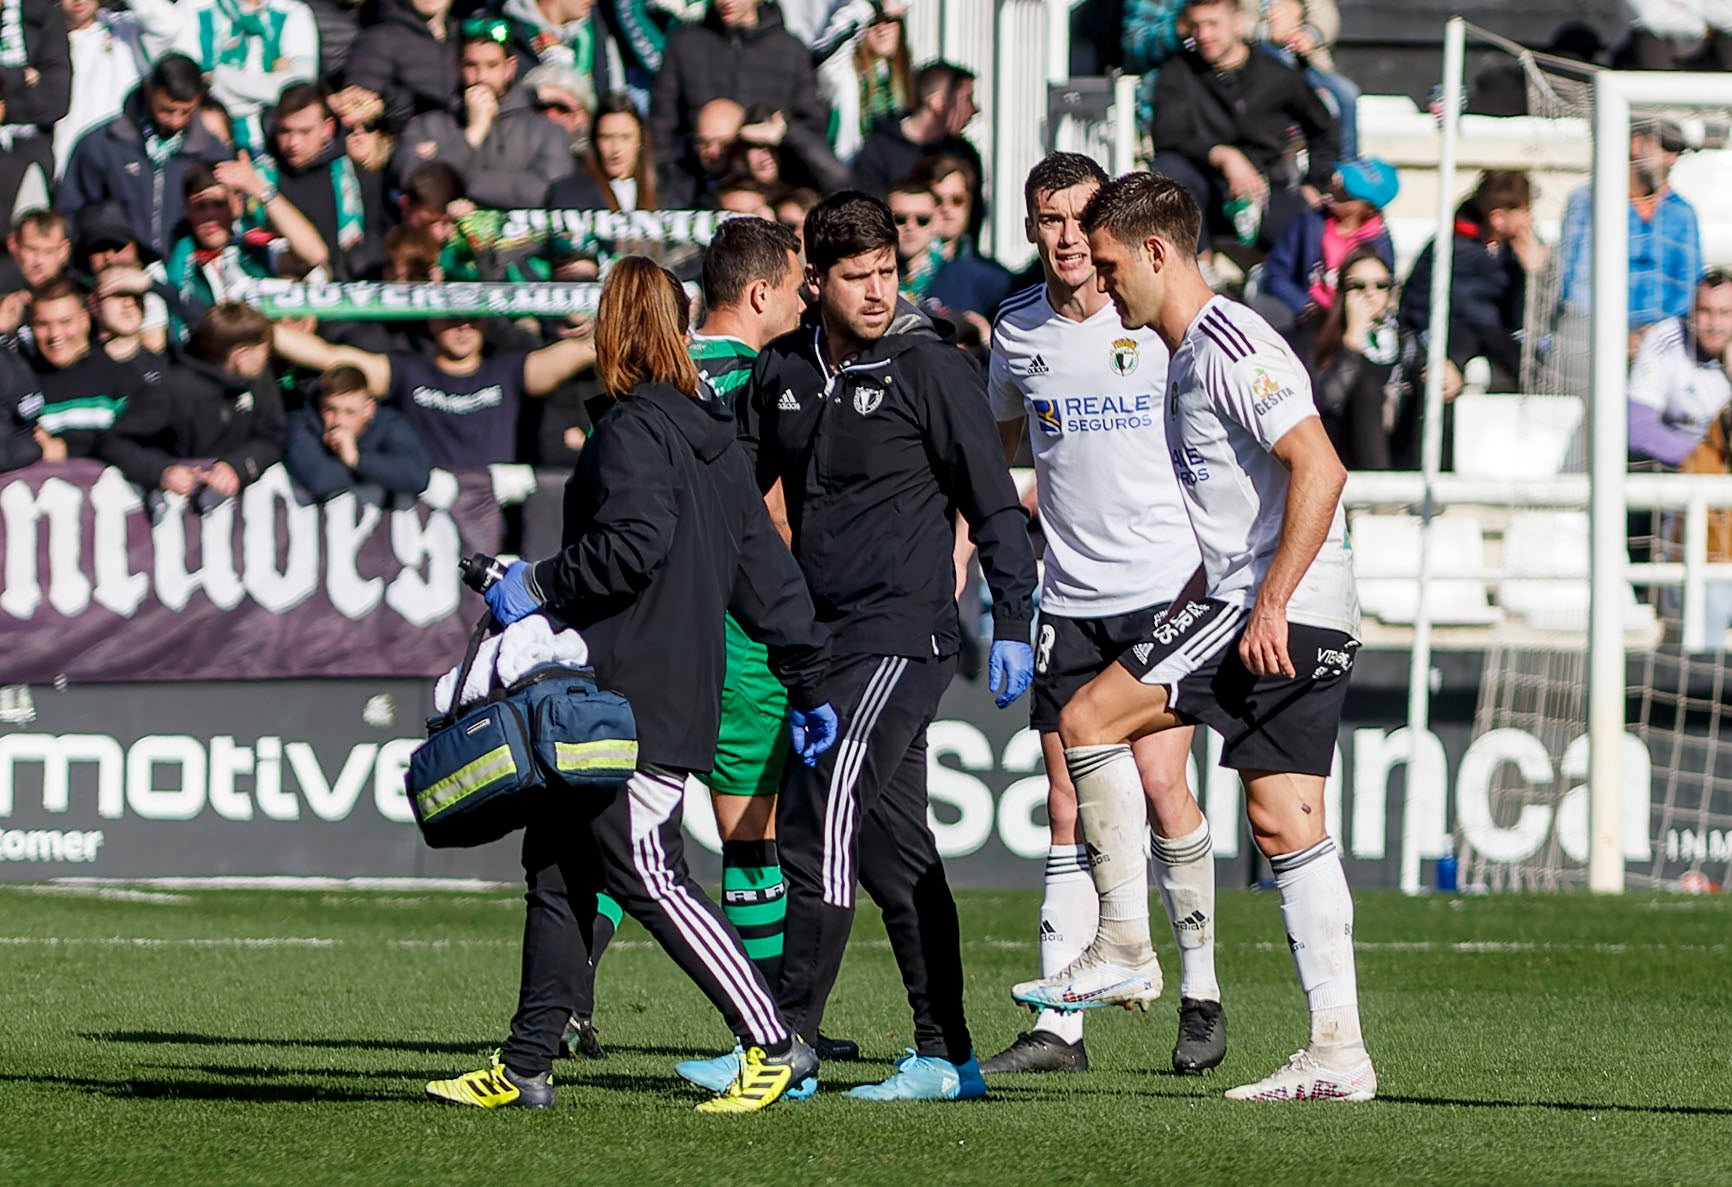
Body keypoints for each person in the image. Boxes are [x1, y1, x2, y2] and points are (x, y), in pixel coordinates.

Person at [427, 258, 838, 1114]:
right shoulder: (716, 440)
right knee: (558, 870)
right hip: (665, 689)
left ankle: (773, 1040)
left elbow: (631, 547)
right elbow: (764, 575)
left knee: (645, 868)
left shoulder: (627, 430)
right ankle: (526, 1061)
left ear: (610, 330)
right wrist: (805, 678)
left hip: (623, 697)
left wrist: (532, 582)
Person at [1011, 171, 1373, 1103]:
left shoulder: (1227, 343)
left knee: (1089, 719)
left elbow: (1321, 468)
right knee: (1285, 821)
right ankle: (1339, 1050)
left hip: (1273, 603)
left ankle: (1125, 941)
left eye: (1113, 260)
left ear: (1157, 253)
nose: (1102, 277)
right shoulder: (1183, 353)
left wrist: (1267, 602)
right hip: (1278, 601)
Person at [724, 191, 1039, 1102]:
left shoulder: (930, 367)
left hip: (905, 633)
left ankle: (785, 1042)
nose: (876, 292)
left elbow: (994, 500)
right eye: (857, 277)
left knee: (815, 812)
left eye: (888, 273)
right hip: (821, 639)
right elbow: (740, 494)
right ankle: (949, 1055)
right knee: (897, 851)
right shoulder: (780, 370)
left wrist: (1012, 618)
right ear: (813, 280)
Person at [982, 151, 1222, 1077]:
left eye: (1082, 218)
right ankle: (1060, 1027)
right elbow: (999, 448)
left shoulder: (1158, 323)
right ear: (1031, 227)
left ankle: (1199, 993)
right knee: (1065, 800)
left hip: (1166, 588)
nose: (1069, 237)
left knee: (1164, 787)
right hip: (1070, 596)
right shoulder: (1016, 331)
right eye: (1049, 220)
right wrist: (992, 547)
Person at [269, 309, 596, 469]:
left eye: (473, 317)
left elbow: (586, 349)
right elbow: (329, 356)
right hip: (423, 515)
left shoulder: (509, 369)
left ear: (484, 322)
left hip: (494, 515)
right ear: (431, 321)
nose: (463, 327)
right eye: (451, 317)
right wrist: (260, 327)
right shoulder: (407, 371)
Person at [1149, 0, 1337, 253]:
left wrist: (1314, 184)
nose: (1204, 35)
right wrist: (1223, 155)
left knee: (1307, 226)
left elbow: (1323, 129)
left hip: (1267, 188)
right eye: (1196, 26)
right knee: (1168, 169)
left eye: (1213, 24)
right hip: (1203, 191)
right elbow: (1168, 134)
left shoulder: (1278, 75)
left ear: (1237, 24)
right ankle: (1198, 267)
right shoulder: (1178, 73)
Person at [1553, 121, 1701, 399]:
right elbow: (1574, 284)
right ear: (1636, 145)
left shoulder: (1683, 213)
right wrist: (1616, 336)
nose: (1672, 159)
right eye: (1666, 148)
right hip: (1594, 337)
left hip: (1661, 342)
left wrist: (1654, 335)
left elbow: (1688, 289)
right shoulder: (1587, 202)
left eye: (1677, 152)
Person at [98, 301, 286, 506]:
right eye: (263, 349)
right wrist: (162, 471)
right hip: (175, 514)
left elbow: (273, 436)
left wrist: (239, 466)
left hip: (242, 517)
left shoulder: (260, 381)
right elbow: (115, 442)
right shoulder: (171, 388)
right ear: (240, 356)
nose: (267, 356)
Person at [390, 16, 575, 210]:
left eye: (492, 65)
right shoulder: (426, 125)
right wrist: (472, 135)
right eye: (471, 65)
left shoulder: (547, 130)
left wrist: (457, 182)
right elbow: (414, 185)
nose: (481, 77)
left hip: (523, 240)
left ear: (510, 68)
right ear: (459, 67)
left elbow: (550, 192)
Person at [58, 54, 232, 260]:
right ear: (149, 89)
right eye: (167, 110)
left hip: (188, 272)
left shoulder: (212, 152)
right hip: (115, 271)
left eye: (186, 112)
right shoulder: (102, 144)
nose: (176, 121)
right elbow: (70, 213)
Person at [649, 0, 831, 187]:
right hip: (698, 187)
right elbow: (662, 128)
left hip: (769, 189)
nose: (725, 2)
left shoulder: (791, 50)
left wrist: (779, 134)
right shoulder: (684, 45)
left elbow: (812, 127)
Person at [1399, 169, 1545, 393]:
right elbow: (1415, 302)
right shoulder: (1450, 246)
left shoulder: (1521, 251)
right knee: (1440, 377)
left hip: (1497, 332)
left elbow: (1522, 319)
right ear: (1497, 218)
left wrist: (1531, 275)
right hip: (1452, 331)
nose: (1531, 219)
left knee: (1533, 370)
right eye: (1525, 211)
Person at [166, 158, 331, 316]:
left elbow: (315, 255)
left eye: (219, 203)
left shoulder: (255, 251)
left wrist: (262, 192)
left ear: (237, 204)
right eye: (200, 206)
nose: (210, 215)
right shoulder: (177, 260)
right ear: (188, 210)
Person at [11, 277, 152, 462]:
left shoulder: (119, 376)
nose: (55, 334)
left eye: (65, 322)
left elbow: (143, 448)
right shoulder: (22, 383)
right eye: (43, 324)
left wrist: (65, 451)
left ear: (85, 320)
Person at [257, 83, 387, 280]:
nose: (293, 143)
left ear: (327, 128)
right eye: (285, 131)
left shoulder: (360, 180)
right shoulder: (260, 179)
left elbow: (374, 247)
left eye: (305, 131)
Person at [1258, 157, 1397, 334]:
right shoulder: (1310, 222)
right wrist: (1305, 306)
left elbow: (1380, 295)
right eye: (1339, 180)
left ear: (1369, 209)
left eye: (1348, 192)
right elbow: (1276, 275)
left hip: (1355, 324)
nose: (1335, 189)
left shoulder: (1379, 244)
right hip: (1303, 318)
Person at [1300, 245, 1403, 469]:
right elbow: (1327, 402)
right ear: (1342, 292)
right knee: (1366, 387)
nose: (1370, 293)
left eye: (1380, 285)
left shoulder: (1404, 338)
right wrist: (1353, 339)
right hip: (1346, 451)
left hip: (1398, 445)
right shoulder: (1317, 337)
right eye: (1357, 286)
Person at [54, 0, 181, 180]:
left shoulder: (124, 29)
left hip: (121, 163)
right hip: (64, 164)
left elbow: (167, 26)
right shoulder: (43, 39)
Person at [171, 0, 319, 152]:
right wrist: (272, 83)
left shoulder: (294, 13)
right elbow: (183, 86)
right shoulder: (193, 8)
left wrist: (219, 78)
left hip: (270, 147)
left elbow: (301, 92)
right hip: (204, 141)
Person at [1627, 270, 1732, 469]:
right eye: (1705, 311)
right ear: (1691, 312)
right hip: (1676, 474)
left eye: (1725, 313)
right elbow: (1637, 428)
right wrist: (1698, 457)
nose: (1714, 324)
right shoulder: (1666, 341)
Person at [283, 364, 432, 498]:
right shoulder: (301, 422)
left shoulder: (389, 422)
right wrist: (378, 472)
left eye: (350, 412)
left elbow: (417, 477)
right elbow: (319, 480)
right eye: (330, 410)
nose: (339, 420)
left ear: (369, 409)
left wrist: (357, 460)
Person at [851, 60, 982, 204]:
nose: (974, 110)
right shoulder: (879, 150)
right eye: (966, 99)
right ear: (938, 102)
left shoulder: (963, 154)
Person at [0, 0, 70, 242]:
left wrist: (5, 107)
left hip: (29, 159)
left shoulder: (41, 13)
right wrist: (20, 75)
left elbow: (56, 100)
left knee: (31, 249)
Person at [336, 0, 459, 134]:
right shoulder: (379, 39)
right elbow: (358, 110)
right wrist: (394, 105)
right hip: (403, 147)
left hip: (455, 147)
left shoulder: (461, 39)